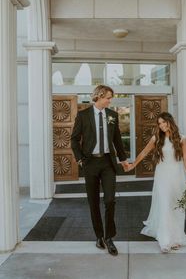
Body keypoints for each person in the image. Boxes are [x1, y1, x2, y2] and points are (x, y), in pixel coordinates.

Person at [71, 85, 129, 256]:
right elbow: (74, 139)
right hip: (90, 164)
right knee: (93, 201)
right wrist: (80, 159)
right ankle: (98, 236)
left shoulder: (113, 115)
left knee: (110, 200)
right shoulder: (83, 115)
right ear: (98, 96)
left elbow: (117, 139)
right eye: (108, 97)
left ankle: (109, 237)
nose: (110, 101)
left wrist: (123, 160)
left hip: (108, 163)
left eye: (111, 98)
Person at [126, 112, 186, 253]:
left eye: (164, 122)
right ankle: (165, 240)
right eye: (159, 123)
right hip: (162, 176)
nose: (162, 126)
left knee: (176, 206)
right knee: (164, 205)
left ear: (170, 122)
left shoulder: (182, 138)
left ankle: (176, 238)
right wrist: (133, 165)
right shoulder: (157, 138)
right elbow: (144, 152)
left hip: (177, 175)